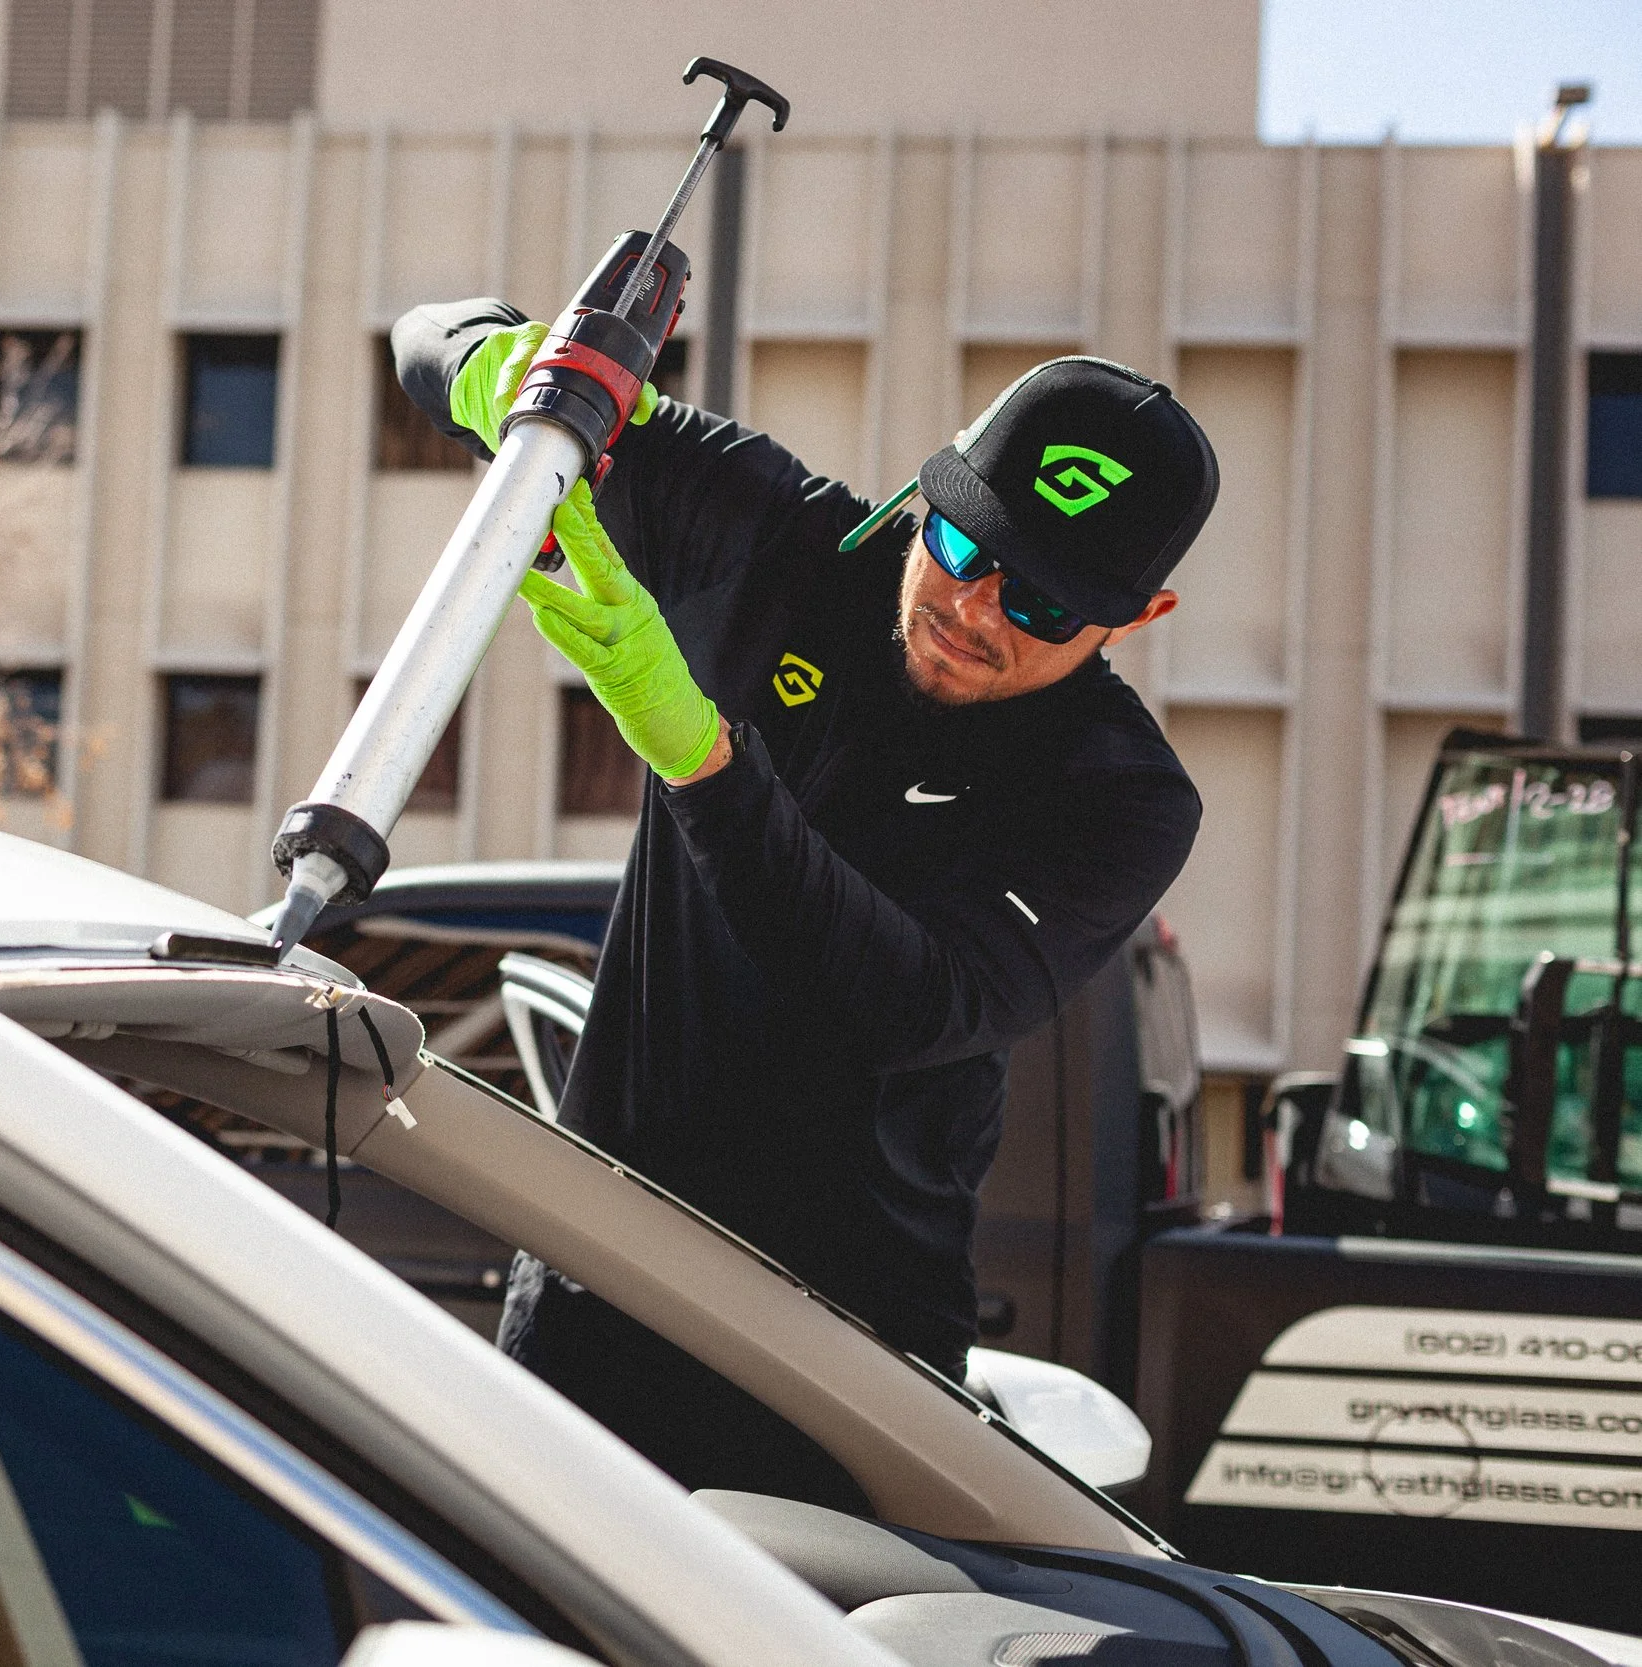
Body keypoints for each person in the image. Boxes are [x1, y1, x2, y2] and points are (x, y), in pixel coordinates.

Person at [391, 301, 1216, 1498]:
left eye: (1040, 607)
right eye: (968, 549)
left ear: (1138, 618)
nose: (975, 612)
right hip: (598, 1269)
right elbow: (429, 332)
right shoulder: (773, 536)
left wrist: (697, 751)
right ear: (928, 491)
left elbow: (903, 1002)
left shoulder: (1123, 797)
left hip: (849, 1342)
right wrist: (513, 375)